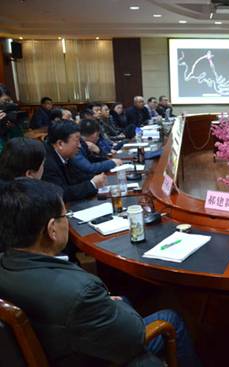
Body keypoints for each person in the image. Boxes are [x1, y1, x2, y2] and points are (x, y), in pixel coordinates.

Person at [0, 179, 202, 366]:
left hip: (59, 345)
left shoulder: (5, 263)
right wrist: (114, 303)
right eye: (65, 216)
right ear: (52, 229)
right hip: (90, 357)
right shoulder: (81, 293)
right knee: (169, 319)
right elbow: (134, 336)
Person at [41, 120, 106, 202]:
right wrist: (92, 184)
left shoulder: (66, 156)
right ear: (60, 144)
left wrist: (95, 178)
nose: (79, 146)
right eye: (77, 141)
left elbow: (78, 176)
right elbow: (61, 194)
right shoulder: (47, 162)